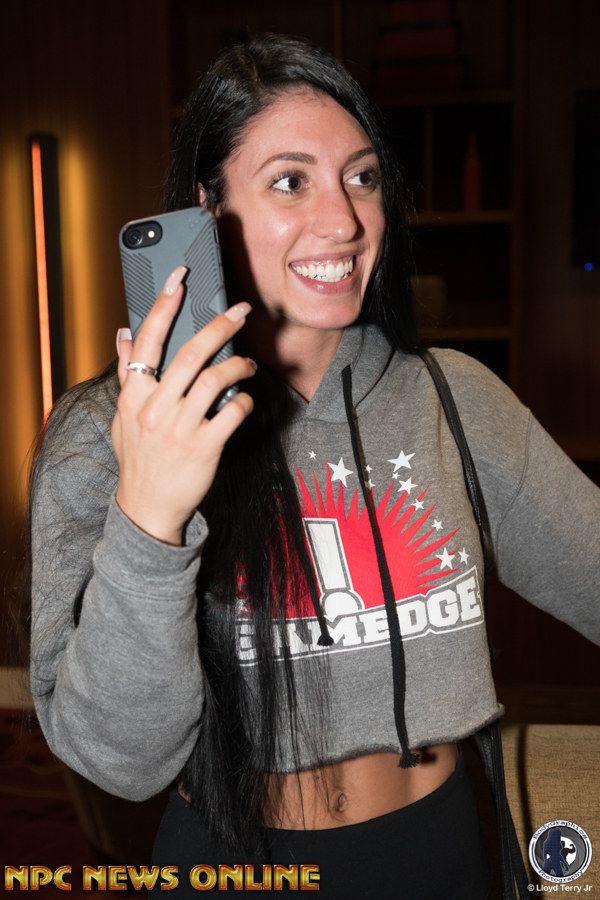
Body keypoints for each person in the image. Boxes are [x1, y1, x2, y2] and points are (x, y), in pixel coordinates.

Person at [29, 34, 599, 900]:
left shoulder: (453, 400)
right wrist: (149, 515)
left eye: (362, 177)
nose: (344, 221)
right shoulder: (105, 435)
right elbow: (119, 759)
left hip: (441, 852)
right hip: (234, 861)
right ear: (206, 208)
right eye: (290, 181)